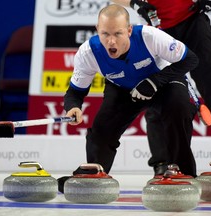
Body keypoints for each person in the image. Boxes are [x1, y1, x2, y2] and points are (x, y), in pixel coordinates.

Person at [57, 4, 199, 193]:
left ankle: (183, 172)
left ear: (129, 30)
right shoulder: (88, 53)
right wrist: (73, 106)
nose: (111, 41)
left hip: (163, 83)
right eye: (105, 34)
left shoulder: (150, 36)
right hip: (123, 89)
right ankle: (95, 175)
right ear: (97, 30)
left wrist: (155, 81)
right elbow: (75, 92)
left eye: (118, 34)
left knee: (178, 109)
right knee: (102, 128)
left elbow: (191, 59)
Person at [111, 0, 211, 183]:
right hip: (155, 26)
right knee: (159, 90)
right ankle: (162, 162)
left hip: (192, 21)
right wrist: (135, 3)